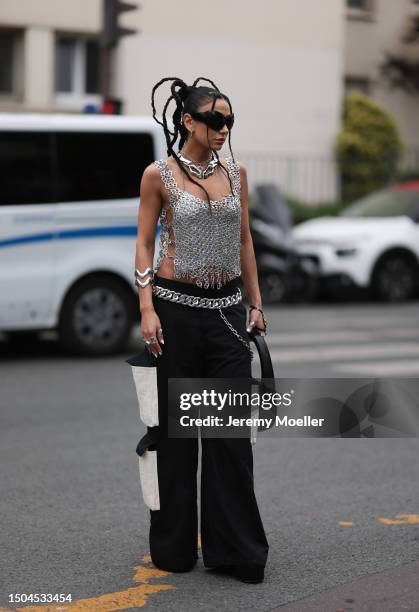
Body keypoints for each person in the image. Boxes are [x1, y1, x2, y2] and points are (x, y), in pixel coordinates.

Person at [134, 76, 269, 584]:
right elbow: (144, 244)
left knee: (229, 436)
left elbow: (244, 242)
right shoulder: (158, 175)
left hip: (228, 316)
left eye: (229, 121)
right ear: (188, 121)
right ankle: (174, 547)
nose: (223, 129)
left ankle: (237, 551)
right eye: (215, 120)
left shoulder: (237, 173)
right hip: (174, 313)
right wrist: (146, 307)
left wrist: (256, 304)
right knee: (177, 437)